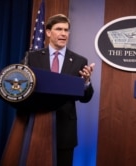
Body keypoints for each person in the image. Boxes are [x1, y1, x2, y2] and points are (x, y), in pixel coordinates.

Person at [20, 14, 94, 165]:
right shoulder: (32, 58)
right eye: (59, 29)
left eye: (66, 30)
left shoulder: (80, 61)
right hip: (37, 124)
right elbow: (22, 88)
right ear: (48, 32)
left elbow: (85, 98)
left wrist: (85, 83)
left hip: (65, 129)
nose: (63, 34)